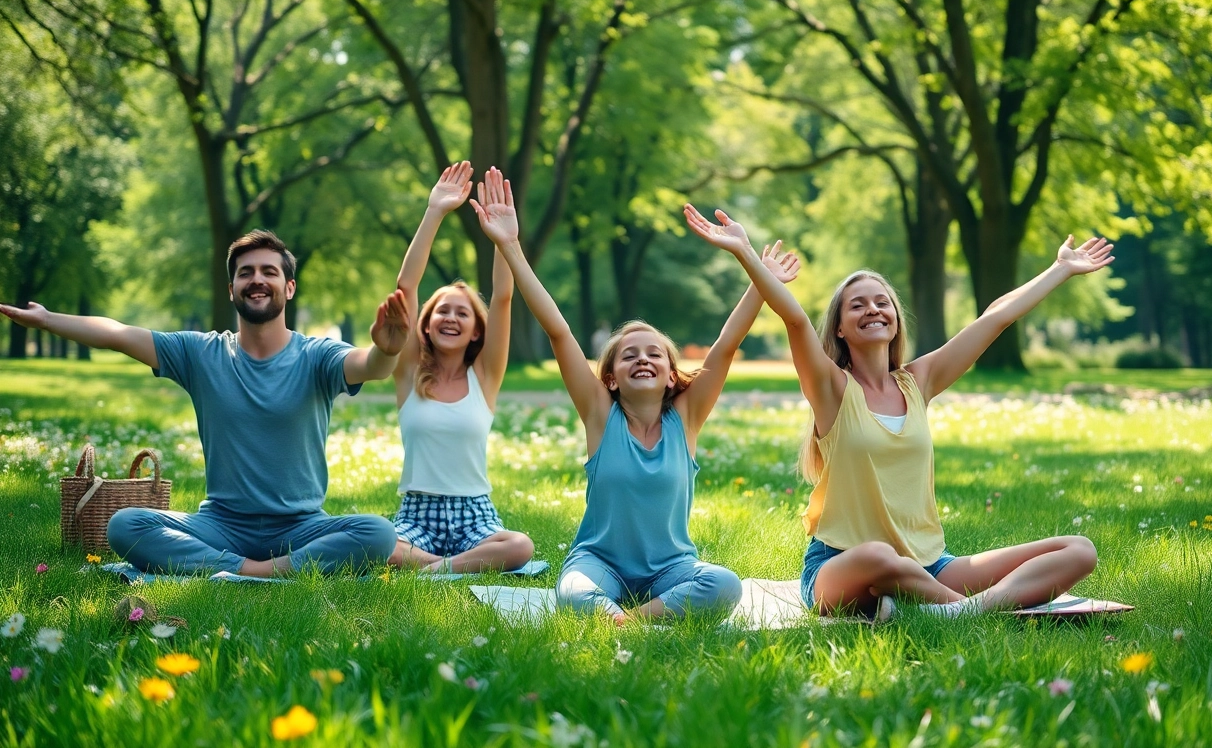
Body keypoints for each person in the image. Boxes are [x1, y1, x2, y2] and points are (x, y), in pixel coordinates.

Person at [684, 204, 1107, 620]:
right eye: (858, 305)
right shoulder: (831, 388)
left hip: (928, 564)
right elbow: (794, 320)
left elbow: (993, 319)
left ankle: (959, 610)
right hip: (844, 566)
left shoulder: (918, 381)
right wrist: (745, 253)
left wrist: (1060, 269)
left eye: (882, 302)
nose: (873, 309)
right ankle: (962, 608)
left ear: (895, 318)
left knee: (1077, 550)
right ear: (839, 327)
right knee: (879, 556)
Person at [479, 182, 798, 624]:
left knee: (724, 584)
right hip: (599, 564)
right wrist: (511, 246)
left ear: (672, 375)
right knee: (573, 592)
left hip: (671, 568)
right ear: (610, 376)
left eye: (654, 354)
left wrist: (760, 283)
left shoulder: (686, 417)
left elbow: (725, 346)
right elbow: (558, 331)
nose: (643, 359)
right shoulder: (598, 413)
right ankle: (628, 614)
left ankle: (631, 620)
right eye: (629, 354)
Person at [0, 231, 408, 576]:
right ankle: (258, 570)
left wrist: (386, 351)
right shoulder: (200, 354)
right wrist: (48, 319)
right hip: (221, 525)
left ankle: (243, 571)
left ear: (289, 287)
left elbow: (370, 367)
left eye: (269, 271)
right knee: (125, 525)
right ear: (231, 289)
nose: (257, 280)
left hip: (301, 527)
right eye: (245, 273)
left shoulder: (318, 355)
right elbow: (118, 334)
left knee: (378, 533)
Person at [385, 163, 534, 573]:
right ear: (427, 326)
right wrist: (434, 211)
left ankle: (433, 569)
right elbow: (406, 288)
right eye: (441, 312)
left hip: (476, 514)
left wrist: (507, 239)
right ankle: (452, 566)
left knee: (520, 545)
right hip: (417, 512)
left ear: (474, 331)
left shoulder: (484, 377)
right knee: (382, 545)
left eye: (461, 313)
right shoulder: (409, 373)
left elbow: (502, 297)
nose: (450, 318)